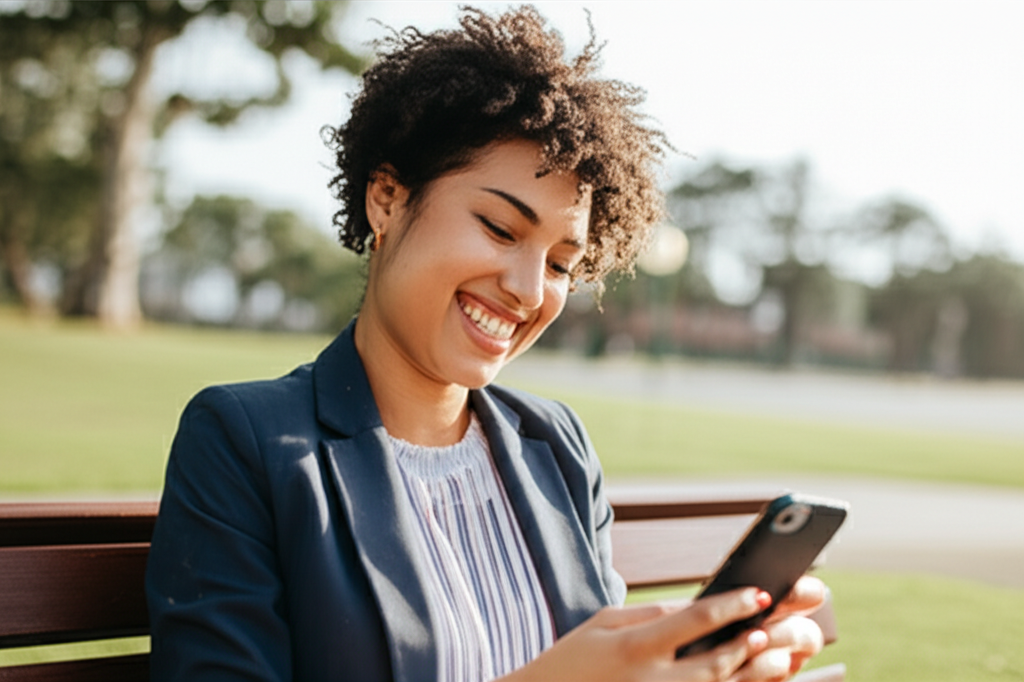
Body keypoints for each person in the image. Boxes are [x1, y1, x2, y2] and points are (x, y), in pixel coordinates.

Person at [146, 6, 827, 681]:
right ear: (386, 198)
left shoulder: (557, 445)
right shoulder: (244, 441)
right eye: (500, 229)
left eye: (562, 264)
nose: (531, 290)